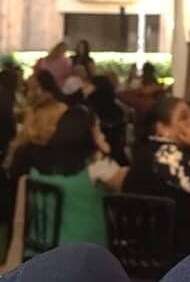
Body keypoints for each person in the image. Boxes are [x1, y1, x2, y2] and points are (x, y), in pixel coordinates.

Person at [5, 101, 120, 255]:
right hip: (84, 251)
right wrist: (107, 151)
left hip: (39, 247)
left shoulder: (35, 164)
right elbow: (127, 183)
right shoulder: (95, 165)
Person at [121, 96, 190, 262]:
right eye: (183, 117)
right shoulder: (166, 154)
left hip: (148, 247)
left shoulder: (150, 150)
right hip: (175, 250)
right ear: (162, 128)